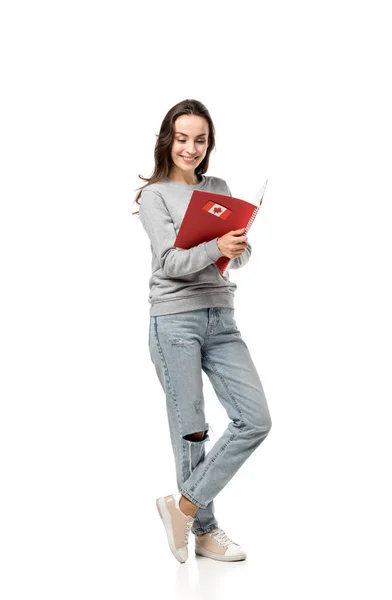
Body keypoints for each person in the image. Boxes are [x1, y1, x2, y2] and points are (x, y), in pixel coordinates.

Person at [132, 99, 272, 563]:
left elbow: (238, 260)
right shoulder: (156, 195)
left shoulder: (219, 187)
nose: (190, 148)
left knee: (254, 419)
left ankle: (183, 508)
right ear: (167, 140)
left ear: (209, 143)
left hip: (222, 316)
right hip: (175, 319)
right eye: (182, 138)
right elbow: (170, 262)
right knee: (192, 431)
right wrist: (216, 244)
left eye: (200, 139)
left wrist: (237, 244)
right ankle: (206, 531)